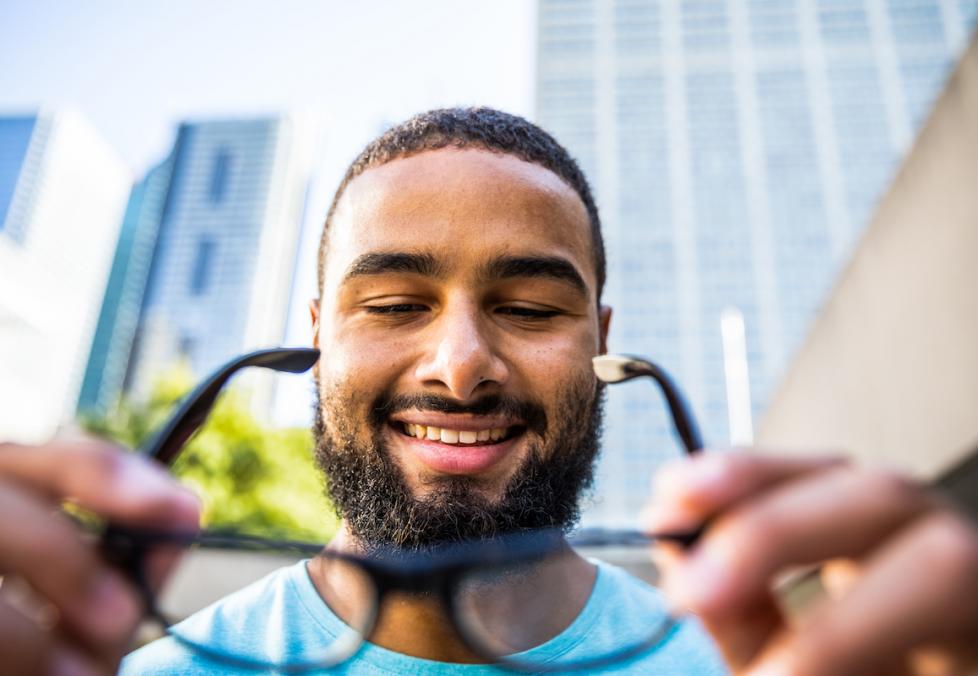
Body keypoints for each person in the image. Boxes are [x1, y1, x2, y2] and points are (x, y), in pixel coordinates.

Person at [1, 108, 975, 675]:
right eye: (391, 303)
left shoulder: (750, 664)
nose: (460, 365)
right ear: (317, 340)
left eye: (529, 306)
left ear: (603, 345)